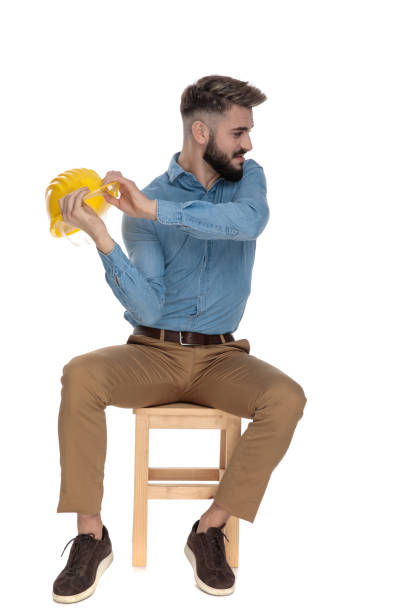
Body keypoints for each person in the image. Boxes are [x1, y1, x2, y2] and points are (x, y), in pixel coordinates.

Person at [52, 74, 307, 602]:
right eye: (239, 132)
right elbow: (145, 305)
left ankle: (210, 527)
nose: (249, 144)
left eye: (249, 132)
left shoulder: (247, 182)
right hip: (155, 355)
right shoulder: (146, 202)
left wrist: (156, 210)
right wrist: (104, 240)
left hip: (221, 359)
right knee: (81, 374)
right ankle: (90, 536)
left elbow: (249, 222)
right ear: (200, 133)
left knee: (286, 397)